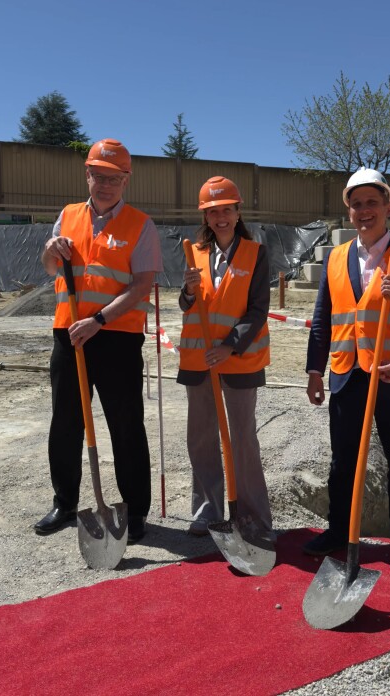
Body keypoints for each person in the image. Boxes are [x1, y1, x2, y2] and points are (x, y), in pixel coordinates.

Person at [34, 138, 163, 544]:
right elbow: (51, 267)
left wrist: (99, 319)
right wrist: (49, 248)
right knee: (66, 421)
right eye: (98, 176)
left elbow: (142, 286)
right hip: (68, 335)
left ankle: (136, 510)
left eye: (114, 179)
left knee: (126, 426)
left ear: (126, 180)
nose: (105, 185)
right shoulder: (68, 215)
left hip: (117, 338)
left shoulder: (140, 225)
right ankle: (65, 502)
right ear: (87, 175)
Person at [304, 167, 390, 571]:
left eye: (372, 203)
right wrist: (314, 369)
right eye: (356, 204)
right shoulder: (336, 258)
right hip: (346, 374)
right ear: (349, 212)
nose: (364, 211)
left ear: (388, 207)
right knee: (343, 460)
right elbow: (324, 316)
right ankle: (339, 529)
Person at [178, 176, 273, 538]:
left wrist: (230, 345)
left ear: (237, 212)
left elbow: (258, 309)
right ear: (205, 215)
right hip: (199, 360)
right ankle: (207, 509)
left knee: (242, 439)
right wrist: (187, 293)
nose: (220, 217)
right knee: (201, 437)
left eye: (226, 210)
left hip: (238, 360)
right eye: (212, 211)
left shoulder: (255, 253)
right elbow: (186, 304)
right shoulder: (193, 253)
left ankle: (252, 516)